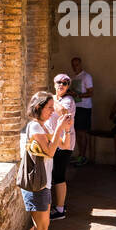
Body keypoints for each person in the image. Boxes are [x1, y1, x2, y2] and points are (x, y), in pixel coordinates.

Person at [13, 91, 70, 230]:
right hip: (35, 185)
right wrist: (59, 128)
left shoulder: (44, 126)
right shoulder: (35, 126)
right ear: (38, 108)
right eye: (49, 108)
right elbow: (50, 150)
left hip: (42, 184)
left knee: (40, 227)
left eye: (53, 108)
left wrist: (67, 129)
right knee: (41, 228)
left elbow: (65, 145)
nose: (52, 111)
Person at [49, 73, 75, 219]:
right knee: (54, 174)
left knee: (58, 175)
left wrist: (51, 99)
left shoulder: (68, 100)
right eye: (58, 82)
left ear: (68, 87)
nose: (61, 85)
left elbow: (63, 112)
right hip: (53, 140)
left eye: (64, 83)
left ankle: (60, 210)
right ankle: (59, 205)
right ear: (54, 83)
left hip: (64, 143)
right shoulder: (55, 99)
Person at [69, 56, 93, 166]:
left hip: (84, 108)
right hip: (76, 108)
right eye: (73, 65)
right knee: (77, 133)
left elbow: (91, 93)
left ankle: (83, 157)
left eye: (77, 64)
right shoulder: (73, 77)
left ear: (81, 64)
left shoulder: (86, 77)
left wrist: (77, 95)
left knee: (82, 133)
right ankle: (80, 155)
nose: (75, 67)